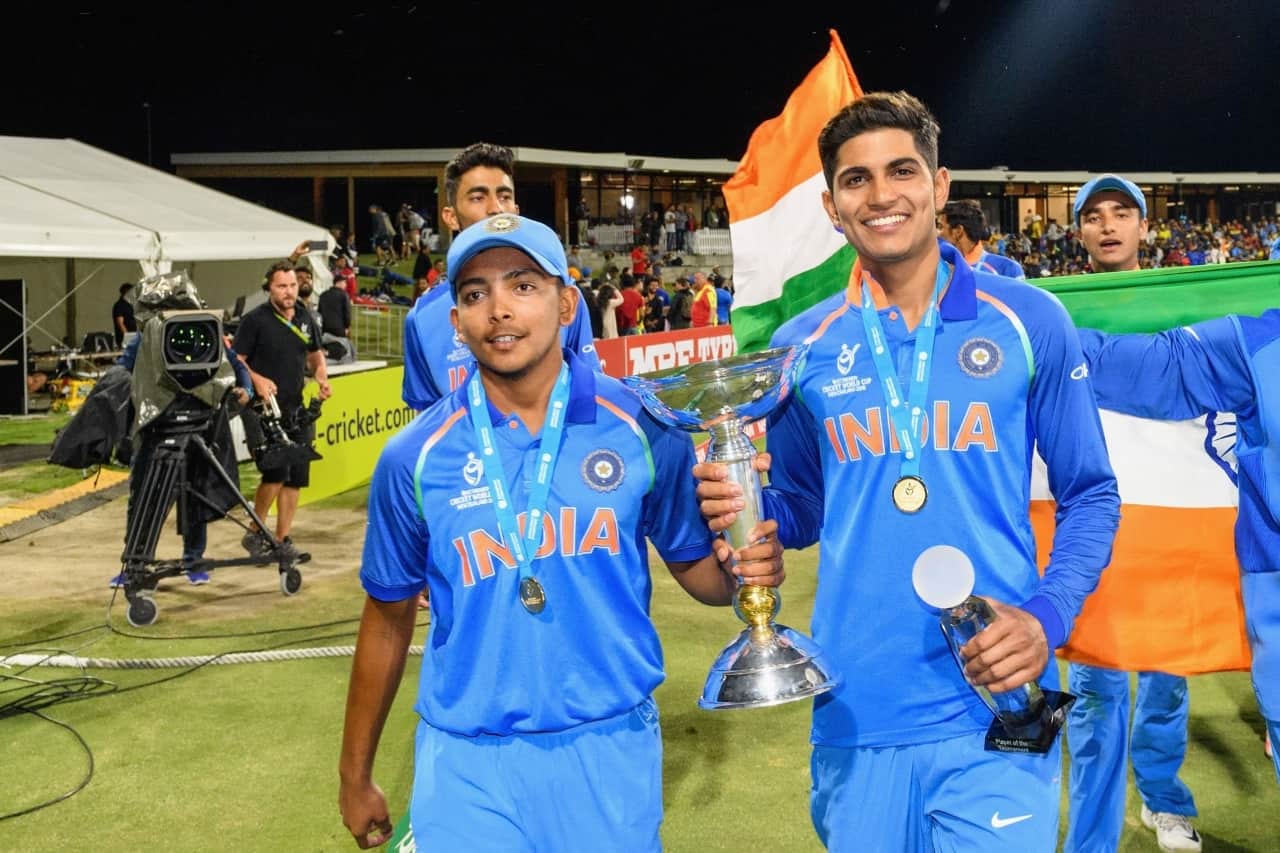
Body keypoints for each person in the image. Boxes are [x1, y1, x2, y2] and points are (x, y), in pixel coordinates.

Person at [693, 91, 1120, 851]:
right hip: (860, 703)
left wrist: (1048, 616)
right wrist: (747, 518)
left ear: (941, 184)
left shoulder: (1030, 320)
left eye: (902, 170)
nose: (882, 194)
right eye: (856, 180)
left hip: (1000, 698)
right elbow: (798, 505)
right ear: (831, 205)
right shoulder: (803, 346)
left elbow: (1091, 491)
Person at [337, 214, 785, 850]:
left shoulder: (641, 424)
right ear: (456, 322)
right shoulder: (414, 456)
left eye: (523, 285)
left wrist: (748, 563)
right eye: (474, 294)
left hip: (607, 747)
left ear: (566, 302)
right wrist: (354, 773)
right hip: (466, 759)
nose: (498, 309)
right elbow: (386, 619)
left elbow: (704, 577)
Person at [1063, 174, 1202, 853]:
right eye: (1095, 215)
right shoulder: (1053, 311)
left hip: (1168, 517)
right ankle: (1093, 836)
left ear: (1146, 227)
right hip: (1092, 525)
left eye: (1124, 213)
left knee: (1167, 679)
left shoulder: (1182, 305)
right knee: (1095, 686)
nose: (1109, 225)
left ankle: (1165, 802)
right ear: (1079, 232)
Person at [400, 142, 600, 411]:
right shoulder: (421, 319)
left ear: (516, 210)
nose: (495, 208)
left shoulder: (559, 294)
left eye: (504, 196)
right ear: (450, 217)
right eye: (477, 197)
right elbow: (427, 421)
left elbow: (590, 393)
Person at [109, 273, 253, 587]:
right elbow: (123, 369)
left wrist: (246, 390)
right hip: (155, 431)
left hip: (199, 428)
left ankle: (194, 560)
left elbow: (234, 363)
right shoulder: (147, 336)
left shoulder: (205, 330)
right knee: (145, 499)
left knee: (196, 494)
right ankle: (135, 562)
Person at [234, 260, 333, 556]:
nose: (289, 292)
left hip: (297, 409)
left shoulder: (305, 317)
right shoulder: (255, 320)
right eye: (281, 286)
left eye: (292, 285)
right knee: (276, 472)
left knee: (297, 476)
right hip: (263, 410)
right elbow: (237, 359)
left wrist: (321, 376)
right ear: (269, 288)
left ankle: (281, 539)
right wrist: (258, 378)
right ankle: (255, 531)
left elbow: (316, 354)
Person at [937, 200, 1025, 279]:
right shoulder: (934, 269)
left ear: (958, 231)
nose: (936, 233)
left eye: (940, 227)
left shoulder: (1008, 269)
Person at [111, 282, 138, 348]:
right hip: (124, 338)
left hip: (133, 335)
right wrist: (128, 336)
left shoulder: (131, 304)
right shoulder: (119, 305)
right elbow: (120, 323)